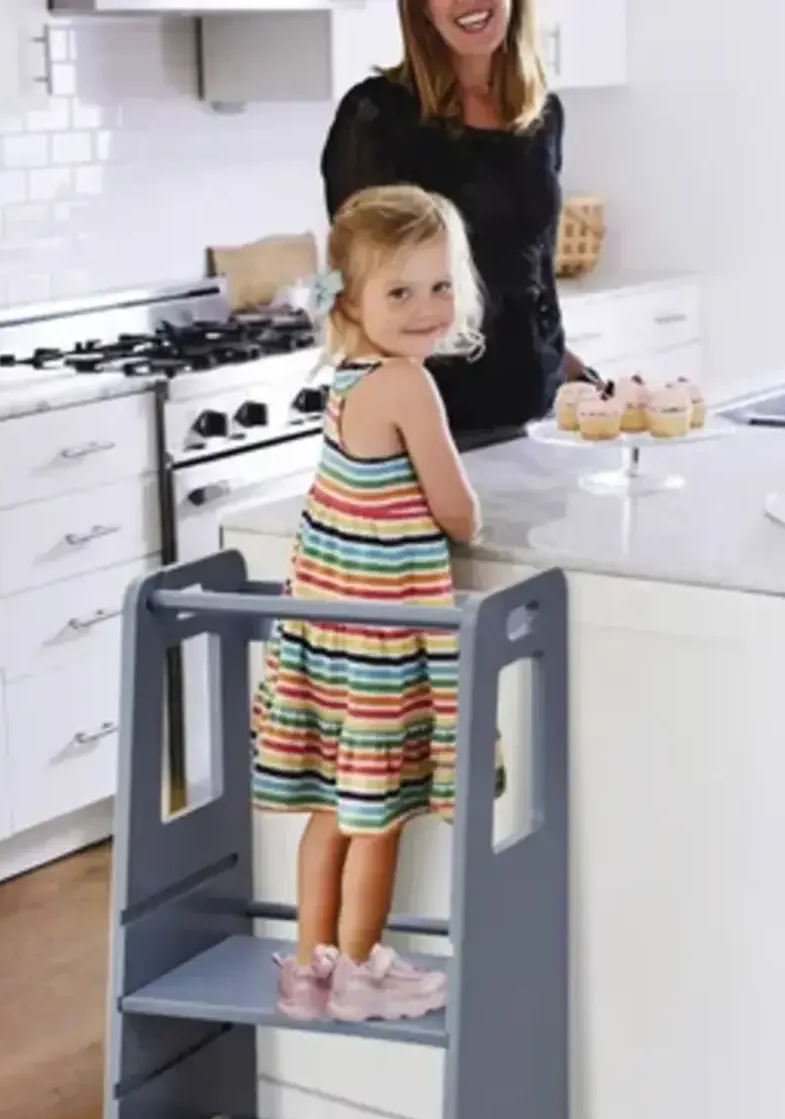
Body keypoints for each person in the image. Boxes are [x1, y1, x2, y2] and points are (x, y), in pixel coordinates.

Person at [251, 184, 503, 1024]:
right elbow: (457, 509)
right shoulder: (405, 386)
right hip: (383, 643)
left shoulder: (348, 380)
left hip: (331, 635)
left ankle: (310, 969)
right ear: (350, 301)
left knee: (331, 808)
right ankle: (361, 970)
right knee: (379, 819)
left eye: (440, 286)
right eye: (401, 292)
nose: (429, 309)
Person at [321, 0, 596, 443]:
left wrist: (574, 371)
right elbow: (346, 281)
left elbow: (528, 279)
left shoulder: (542, 115)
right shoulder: (377, 117)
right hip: (432, 427)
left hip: (537, 419)